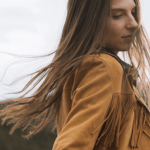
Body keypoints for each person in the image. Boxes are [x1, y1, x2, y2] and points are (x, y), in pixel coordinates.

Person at [0, 0, 150, 149]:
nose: (134, 24)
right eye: (117, 15)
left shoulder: (89, 67)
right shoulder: (104, 67)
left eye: (133, 12)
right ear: (90, 21)